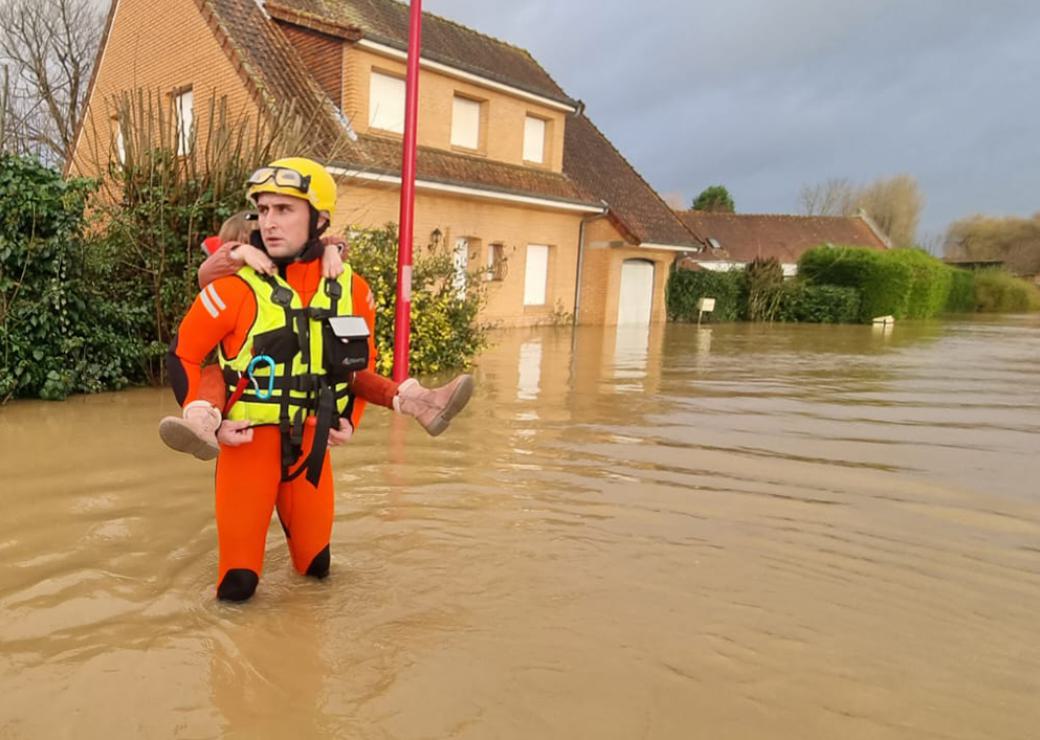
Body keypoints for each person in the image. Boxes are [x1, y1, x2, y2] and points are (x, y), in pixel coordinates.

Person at [165, 157, 466, 601]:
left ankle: (418, 400)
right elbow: (184, 356)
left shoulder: (352, 289)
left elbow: (360, 365)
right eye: (263, 210)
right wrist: (216, 424)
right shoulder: (231, 288)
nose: (269, 222)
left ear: (319, 219)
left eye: (284, 210)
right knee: (238, 586)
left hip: (311, 443)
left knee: (317, 570)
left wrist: (349, 419)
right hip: (247, 445)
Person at [158, 208, 473, 461]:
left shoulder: (314, 266)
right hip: (240, 364)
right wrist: (238, 252)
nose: (270, 227)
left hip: (298, 378)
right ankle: (202, 423)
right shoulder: (230, 270)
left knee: (348, 369)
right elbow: (207, 272)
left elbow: (319, 241)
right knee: (214, 374)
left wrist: (330, 249)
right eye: (263, 218)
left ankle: (418, 400)